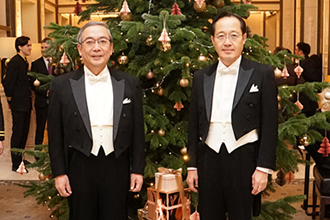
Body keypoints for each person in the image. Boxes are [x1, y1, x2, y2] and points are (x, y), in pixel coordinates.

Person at [48, 22, 145, 220]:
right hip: (79, 166)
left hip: (117, 165)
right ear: (80, 49)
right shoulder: (61, 85)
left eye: (102, 41)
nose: (96, 47)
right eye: (89, 42)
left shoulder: (129, 83)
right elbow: (55, 134)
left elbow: (137, 132)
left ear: (111, 48)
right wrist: (59, 173)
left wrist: (137, 170)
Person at [186, 11, 278, 220]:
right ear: (213, 40)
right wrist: (192, 166)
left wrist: (263, 168)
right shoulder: (201, 77)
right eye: (221, 36)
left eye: (234, 35)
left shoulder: (262, 73)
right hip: (209, 159)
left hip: (243, 158)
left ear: (244, 38)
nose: (227, 42)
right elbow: (193, 124)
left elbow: (270, 125)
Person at [3, 36, 32, 173]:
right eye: (28, 46)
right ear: (20, 47)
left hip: (25, 103)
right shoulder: (15, 62)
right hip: (19, 104)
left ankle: (20, 158)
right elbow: (8, 83)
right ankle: (16, 163)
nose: (30, 48)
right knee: (18, 133)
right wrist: (10, 100)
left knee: (24, 132)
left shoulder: (23, 61)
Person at [31, 38, 53, 147]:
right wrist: (45, 92)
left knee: (56, 128)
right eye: (42, 47)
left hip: (56, 101)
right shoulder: (36, 63)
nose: (43, 50)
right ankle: (37, 153)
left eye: (46, 47)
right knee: (40, 128)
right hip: (42, 102)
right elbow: (33, 84)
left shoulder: (58, 62)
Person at [295, 42, 322, 117]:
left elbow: (312, 77)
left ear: (301, 52)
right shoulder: (302, 62)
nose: (295, 52)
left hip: (307, 97)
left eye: (296, 50)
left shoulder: (307, 63)